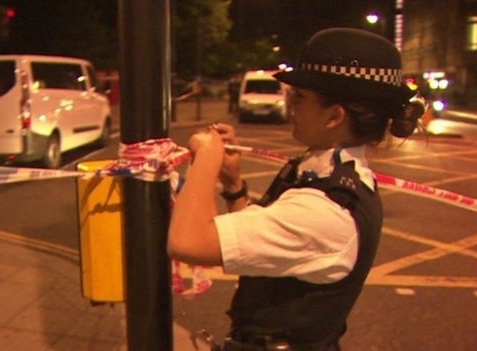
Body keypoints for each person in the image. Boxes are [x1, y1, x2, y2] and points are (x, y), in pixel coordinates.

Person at [167, 28, 424, 351]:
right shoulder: (326, 176)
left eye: (300, 97)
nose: (290, 104)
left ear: (334, 116)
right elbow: (260, 245)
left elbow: (187, 241)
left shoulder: (326, 209)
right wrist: (233, 185)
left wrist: (206, 156)